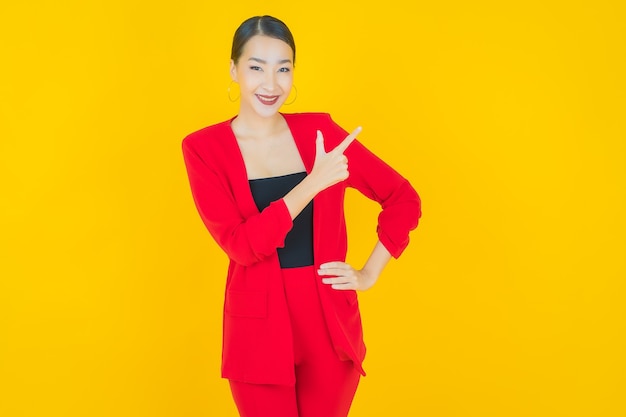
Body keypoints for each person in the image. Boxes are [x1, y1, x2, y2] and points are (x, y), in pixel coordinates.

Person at [181, 15, 421, 417]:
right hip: (257, 330)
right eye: (256, 67)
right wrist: (312, 183)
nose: (270, 84)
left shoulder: (320, 133)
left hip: (328, 324)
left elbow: (403, 198)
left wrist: (369, 273)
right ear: (234, 70)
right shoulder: (204, 149)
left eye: (283, 69)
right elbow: (242, 246)